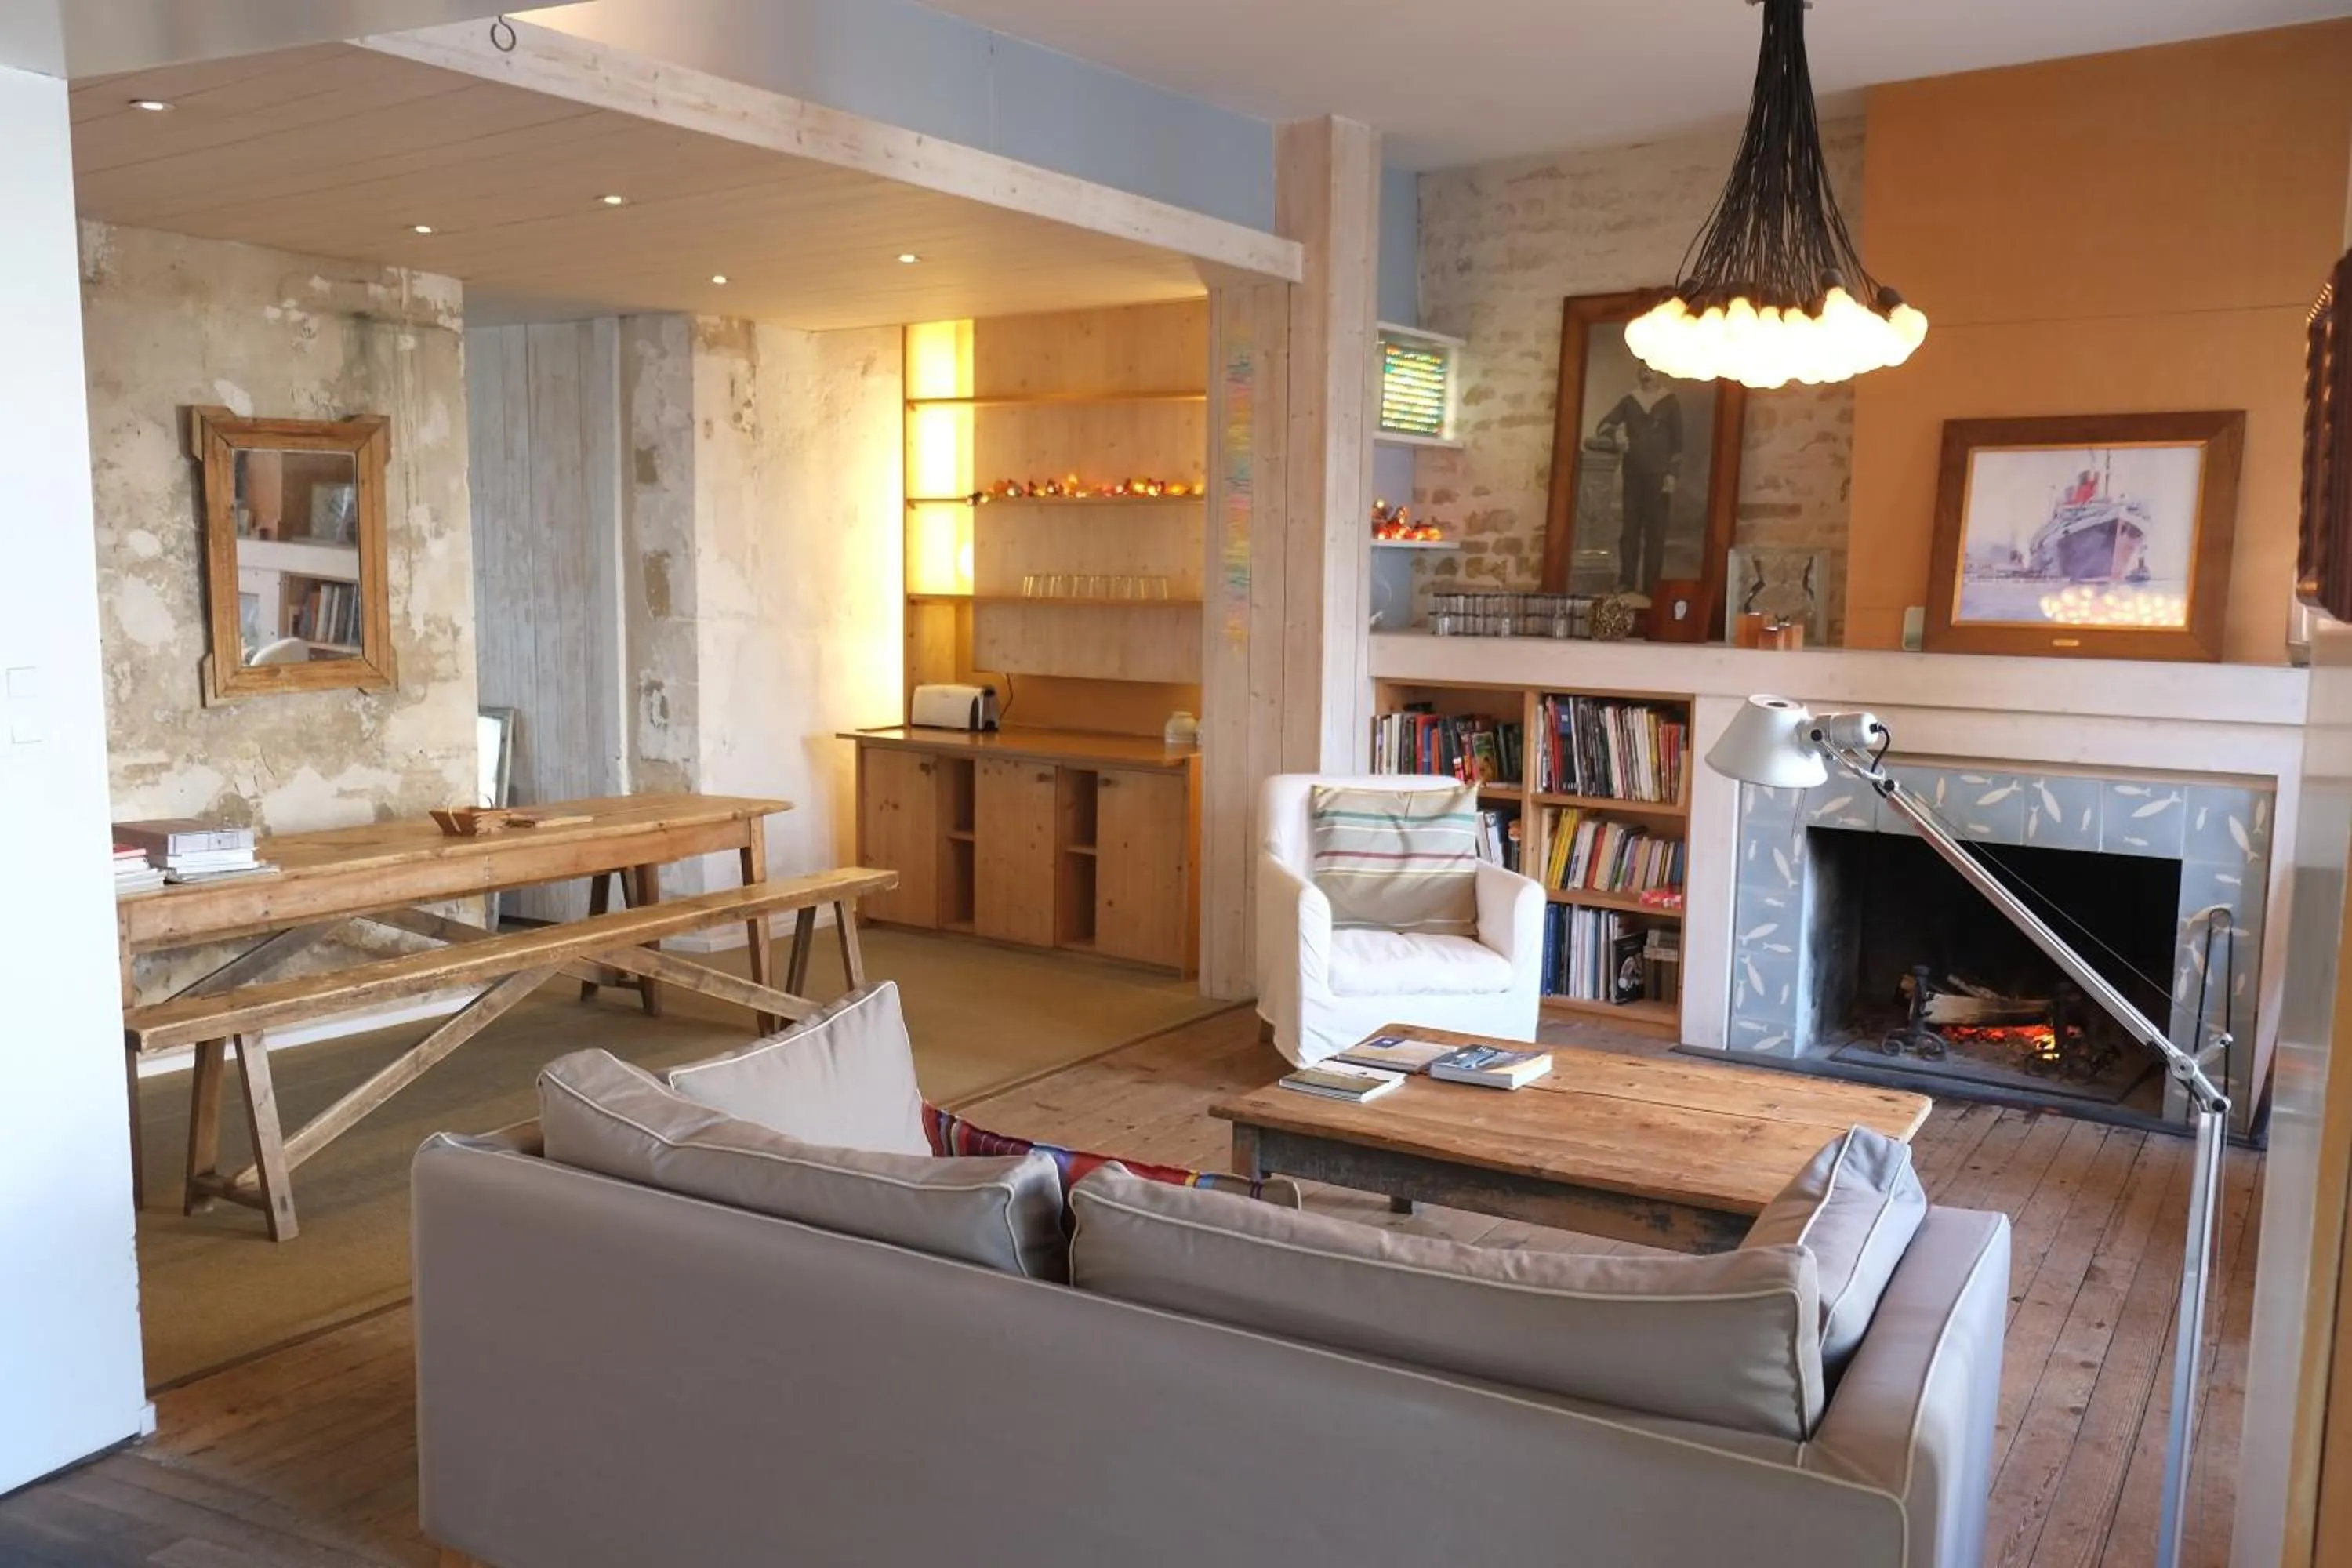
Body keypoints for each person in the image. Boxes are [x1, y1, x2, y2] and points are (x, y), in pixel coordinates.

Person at [1594, 364, 1684, 594]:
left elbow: (1678, 444)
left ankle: (1652, 586)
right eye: (1643, 370)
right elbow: (1603, 425)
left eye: (1651, 370)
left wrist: (1672, 474)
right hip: (1633, 474)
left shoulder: (1670, 403)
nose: (1646, 374)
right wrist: (1617, 434)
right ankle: (1627, 582)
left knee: (1655, 532)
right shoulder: (1629, 402)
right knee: (1630, 530)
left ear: (1660, 373)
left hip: (1659, 477)